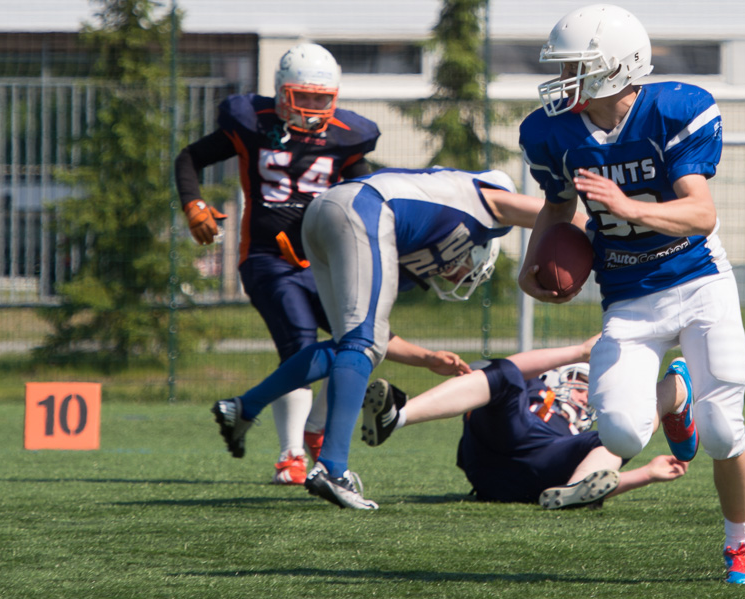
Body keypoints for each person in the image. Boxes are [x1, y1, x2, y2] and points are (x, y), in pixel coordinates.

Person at [516, 4, 745, 584]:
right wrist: (534, 264)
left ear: (614, 68)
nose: (565, 76)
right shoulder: (551, 132)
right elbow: (558, 204)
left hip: (698, 281)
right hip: (627, 296)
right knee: (623, 432)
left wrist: (627, 207)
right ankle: (673, 399)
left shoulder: (674, 110)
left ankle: (740, 544)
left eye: (577, 65)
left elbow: (701, 213)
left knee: (725, 428)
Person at [174, 43, 468, 485]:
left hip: (323, 260)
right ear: (280, 93)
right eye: (303, 97)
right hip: (267, 258)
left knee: (355, 340)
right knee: (298, 343)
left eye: (320, 98)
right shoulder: (252, 124)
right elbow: (189, 157)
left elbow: (372, 196)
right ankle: (290, 454)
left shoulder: (346, 137)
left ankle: (308, 430)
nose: (312, 108)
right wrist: (193, 202)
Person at [210, 166, 565, 510]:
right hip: (362, 206)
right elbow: (555, 211)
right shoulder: (488, 204)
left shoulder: (418, 238)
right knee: (360, 344)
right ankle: (332, 469)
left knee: (349, 345)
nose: (460, 272)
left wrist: (426, 358)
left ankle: (245, 406)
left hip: (325, 212)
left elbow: (376, 339)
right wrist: (604, 230)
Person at [360, 335, 688, 508]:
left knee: (621, 429)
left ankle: (574, 486)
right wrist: (580, 352)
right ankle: (396, 417)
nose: (583, 393)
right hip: (496, 449)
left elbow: (600, 483)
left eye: (591, 390)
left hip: (546, 472)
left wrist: (645, 475)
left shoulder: (583, 438)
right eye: (578, 381)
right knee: (500, 373)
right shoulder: (535, 386)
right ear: (557, 377)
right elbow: (510, 369)